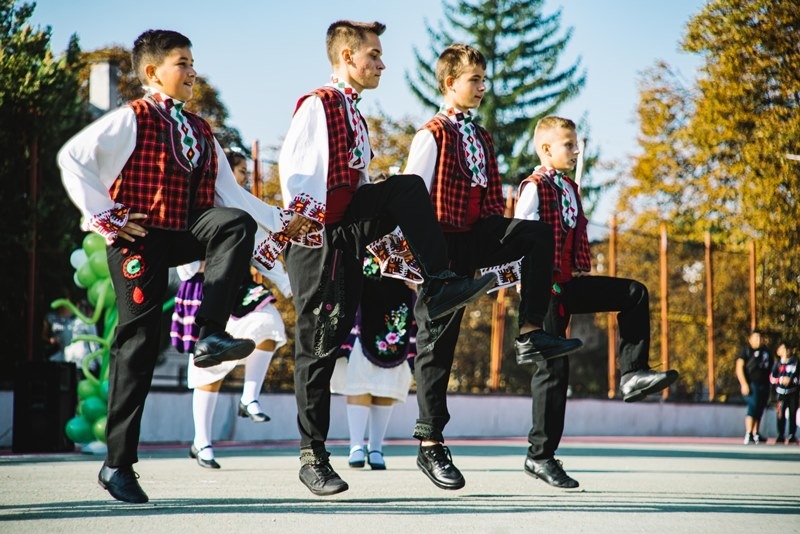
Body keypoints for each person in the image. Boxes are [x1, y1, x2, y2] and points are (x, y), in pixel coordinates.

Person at [58, 29, 293, 503]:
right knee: (138, 343)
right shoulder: (132, 117)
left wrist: (283, 221)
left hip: (184, 231)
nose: (192, 71)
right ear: (152, 72)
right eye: (182, 63)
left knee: (232, 223)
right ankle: (117, 465)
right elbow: (72, 158)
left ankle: (210, 334)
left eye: (192, 62)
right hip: (139, 239)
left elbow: (233, 196)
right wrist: (107, 215)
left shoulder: (201, 130)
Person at [278, 20, 500, 497]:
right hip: (318, 236)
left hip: (349, 232)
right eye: (374, 55)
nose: (382, 63)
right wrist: (302, 220)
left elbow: (355, 182)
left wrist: (378, 221)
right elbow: (295, 168)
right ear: (347, 57)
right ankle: (313, 456)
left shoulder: (354, 112)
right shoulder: (319, 103)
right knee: (319, 347)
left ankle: (440, 281)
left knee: (406, 187)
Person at [403, 44, 583, 491]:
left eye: (484, 80)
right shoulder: (432, 134)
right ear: (450, 83)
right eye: (475, 80)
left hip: (476, 235)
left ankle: (530, 332)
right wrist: (425, 265)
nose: (483, 87)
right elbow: (411, 198)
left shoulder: (481, 136)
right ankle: (430, 444)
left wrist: (499, 246)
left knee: (536, 234)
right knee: (437, 346)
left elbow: (489, 201)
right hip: (440, 249)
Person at [513, 115, 680, 488]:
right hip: (542, 291)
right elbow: (519, 238)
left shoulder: (569, 188)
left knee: (634, 293)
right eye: (569, 145)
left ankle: (632, 373)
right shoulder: (534, 188)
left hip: (569, 283)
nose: (576, 151)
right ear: (546, 149)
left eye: (576, 145)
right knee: (554, 371)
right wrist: (528, 297)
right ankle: (540, 456)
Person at [171, 258, 290, 468]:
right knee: (208, 365)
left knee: (268, 322)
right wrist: (219, 259)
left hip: (240, 287)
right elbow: (186, 268)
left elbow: (261, 249)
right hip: (207, 286)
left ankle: (249, 398)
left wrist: (289, 284)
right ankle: (201, 442)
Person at [330, 256, 416, 471]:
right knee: (358, 372)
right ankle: (356, 446)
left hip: (399, 296)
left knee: (387, 379)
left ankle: (376, 447)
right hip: (362, 294)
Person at [736, 329, 773, 444]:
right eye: (756, 337)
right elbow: (739, 367)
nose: (759, 340)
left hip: (764, 384)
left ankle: (755, 432)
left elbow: (771, 368)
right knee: (753, 406)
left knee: (760, 408)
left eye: (760, 337)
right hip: (752, 384)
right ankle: (749, 433)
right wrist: (744, 384)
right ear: (750, 339)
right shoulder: (746, 350)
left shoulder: (766, 352)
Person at [769, 340, 798, 445]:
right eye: (783, 349)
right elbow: (772, 378)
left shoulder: (795, 362)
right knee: (780, 414)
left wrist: (792, 380)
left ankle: (792, 435)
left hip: (793, 393)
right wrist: (781, 380)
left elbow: (798, 377)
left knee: (792, 414)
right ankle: (780, 434)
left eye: (787, 349)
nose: (785, 351)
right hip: (780, 393)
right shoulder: (777, 364)